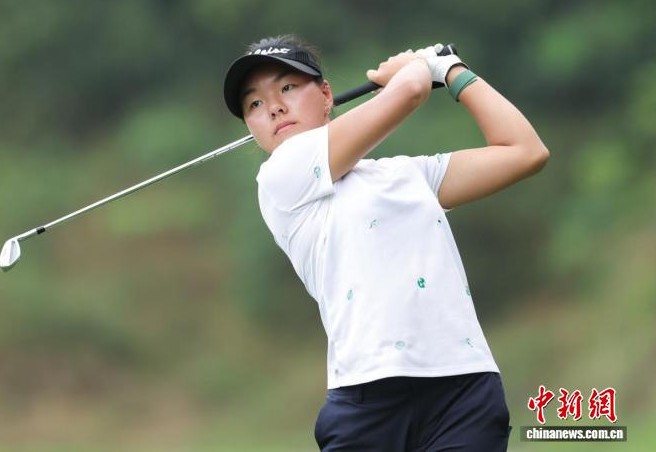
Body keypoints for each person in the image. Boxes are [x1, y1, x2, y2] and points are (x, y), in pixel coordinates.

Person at [223, 34, 549, 452]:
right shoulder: (280, 176)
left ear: (326, 95)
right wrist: (416, 69)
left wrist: (452, 71)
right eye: (254, 103)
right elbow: (410, 90)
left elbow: (525, 152)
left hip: (464, 390)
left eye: (287, 87)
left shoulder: (408, 174)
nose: (273, 107)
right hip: (367, 400)